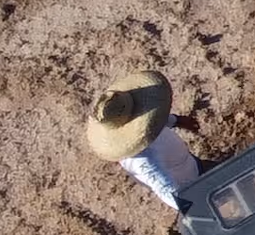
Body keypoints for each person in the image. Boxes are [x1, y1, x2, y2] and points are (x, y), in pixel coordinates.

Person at [83, 68, 204, 212]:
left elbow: (153, 120)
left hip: (191, 164)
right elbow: (167, 191)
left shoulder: (140, 128)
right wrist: (197, 210)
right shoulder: (144, 160)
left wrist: (176, 121)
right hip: (194, 184)